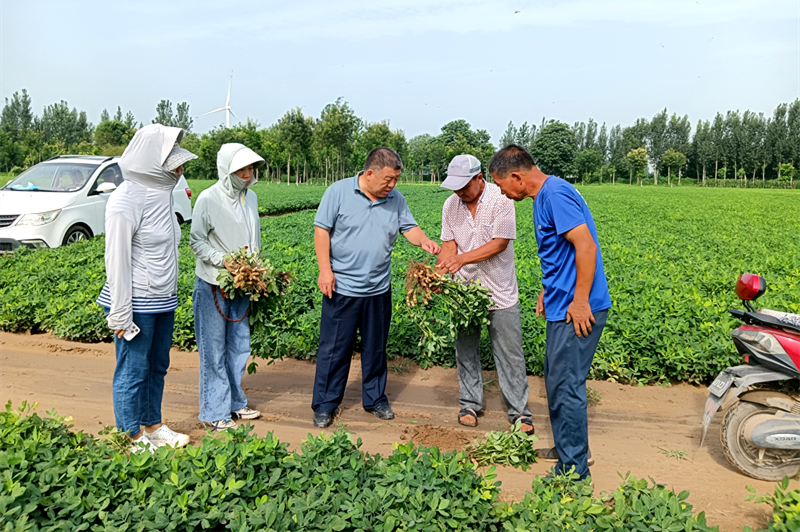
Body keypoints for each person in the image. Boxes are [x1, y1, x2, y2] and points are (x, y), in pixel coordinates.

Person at [488, 145, 611, 480]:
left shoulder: (554, 194)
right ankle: (568, 448)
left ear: (516, 176)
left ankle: (573, 471)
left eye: (501, 185)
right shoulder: (544, 196)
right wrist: (549, 287)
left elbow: (585, 246)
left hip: (577, 310)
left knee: (566, 385)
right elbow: (564, 251)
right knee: (557, 382)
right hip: (564, 303)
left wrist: (581, 300)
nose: (501, 191)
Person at [312, 147, 441, 428]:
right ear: (369, 173)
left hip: (378, 289)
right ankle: (325, 403)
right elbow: (322, 230)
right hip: (342, 287)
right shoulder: (338, 192)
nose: (392, 185)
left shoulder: (395, 199)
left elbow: (409, 227)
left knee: (375, 348)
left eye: (396, 179)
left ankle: (375, 399)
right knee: (334, 349)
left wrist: (424, 241)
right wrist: (325, 269)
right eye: (388, 179)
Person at [96, 124, 196, 452]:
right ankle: (131, 437)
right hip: (136, 301)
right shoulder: (126, 198)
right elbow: (117, 260)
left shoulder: (164, 195)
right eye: (175, 163)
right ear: (152, 160)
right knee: (133, 369)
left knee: (157, 365)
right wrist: (121, 314)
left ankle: (152, 426)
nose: (180, 170)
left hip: (162, 300)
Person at [436, 154, 533, 434]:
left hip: (499, 291)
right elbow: (448, 247)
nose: (459, 193)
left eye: (464, 186)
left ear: (480, 179)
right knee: (466, 350)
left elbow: (500, 243)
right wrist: (439, 273)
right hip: (465, 291)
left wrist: (462, 260)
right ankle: (469, 403)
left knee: (509, 353)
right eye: (455, 187)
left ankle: (519, 411)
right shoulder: (450, 206)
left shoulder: (501, 200)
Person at [190, 143, 265, 432]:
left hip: (243, 284)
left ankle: (234, 403)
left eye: (251, 169)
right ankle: (213, 412)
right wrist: (224, 261)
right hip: (214, 283)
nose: (247, 174)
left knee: (239, 346)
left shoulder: (251, 198)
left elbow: (253, 237)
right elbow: (196, 241)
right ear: (227, 170)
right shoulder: (208, 199)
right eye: (241, 169)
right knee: (214, 349)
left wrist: (255, 270)